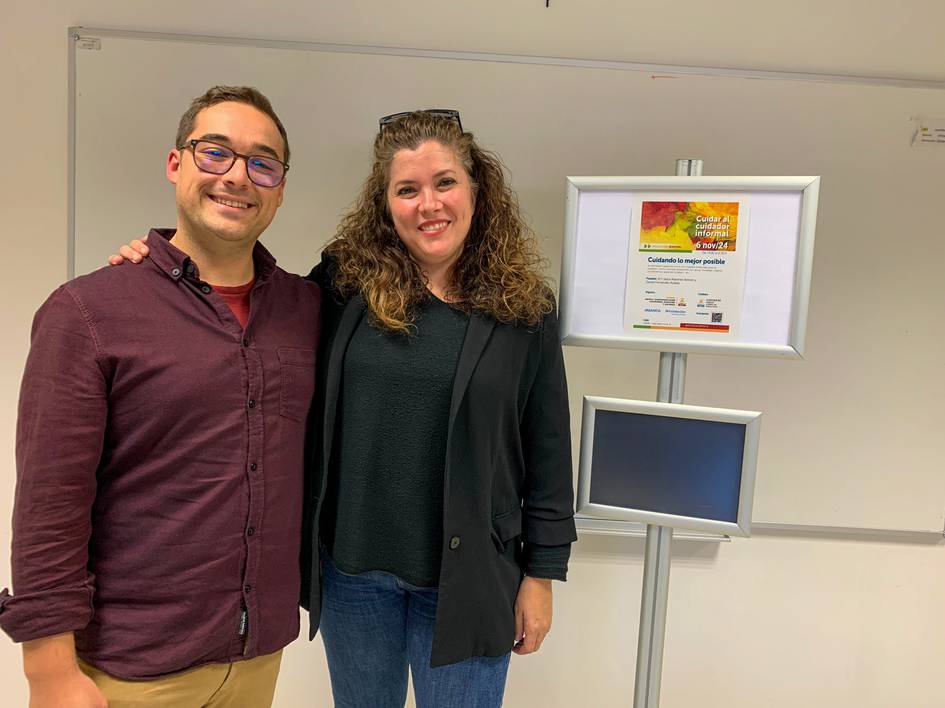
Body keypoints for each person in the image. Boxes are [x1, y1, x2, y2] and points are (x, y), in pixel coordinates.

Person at [113, 109, 576, 708]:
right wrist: (157, 265)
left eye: (444, 183)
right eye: (406, 189)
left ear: (476, 189)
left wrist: (540, 575)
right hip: (355, 576)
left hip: (470, 579)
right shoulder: (344, 283)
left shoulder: (524, 309)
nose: (427, 203)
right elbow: (244, 289)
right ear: (386, 204)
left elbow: (548, 447)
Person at [0, 86, 320, 708]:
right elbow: (49, 506)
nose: (237, 177)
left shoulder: (306, 310)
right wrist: (49, 673)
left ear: (280, 187)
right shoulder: (89, 312)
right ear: (176, 164)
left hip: (260, 660)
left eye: (263, 163)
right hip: (131, 671)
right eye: (215, 153)